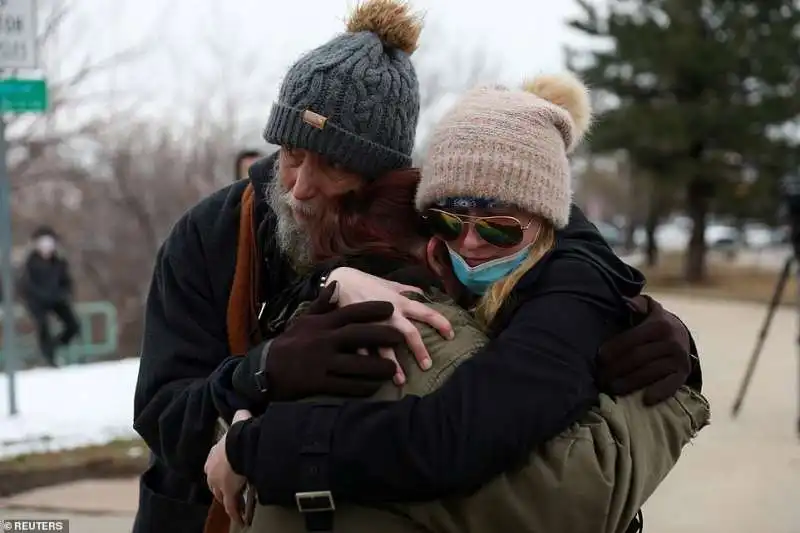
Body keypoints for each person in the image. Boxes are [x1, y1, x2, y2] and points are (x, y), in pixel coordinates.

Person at [132, 2, 698, 532]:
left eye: (330, 165)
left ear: (384, 178)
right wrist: (262, 372)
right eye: (291, 154)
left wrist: (634, 311)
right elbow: (161, 414)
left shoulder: (435, 219)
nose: (300, 187)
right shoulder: (208, 236)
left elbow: (543, 219)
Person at [206, 161, 709, 533]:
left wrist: (251, 398)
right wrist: (678, 384)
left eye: (497, 228)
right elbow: (576, 490)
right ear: (432, 249)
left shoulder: (295, 334)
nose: (470, 244)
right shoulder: (431, 340)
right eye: (451, 225)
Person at [18, 226, 79, 367]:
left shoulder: (59, 262)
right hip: (36, 301)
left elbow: (66, 282)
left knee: (73, 325)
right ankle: (49, 356)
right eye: (43, 243)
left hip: (55, 299)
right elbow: (26, 286)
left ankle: (54, 345)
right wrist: (42, 296)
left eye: (49, 243)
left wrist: (62, 294)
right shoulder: (30, 263)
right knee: (43, 324)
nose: (46, 247)